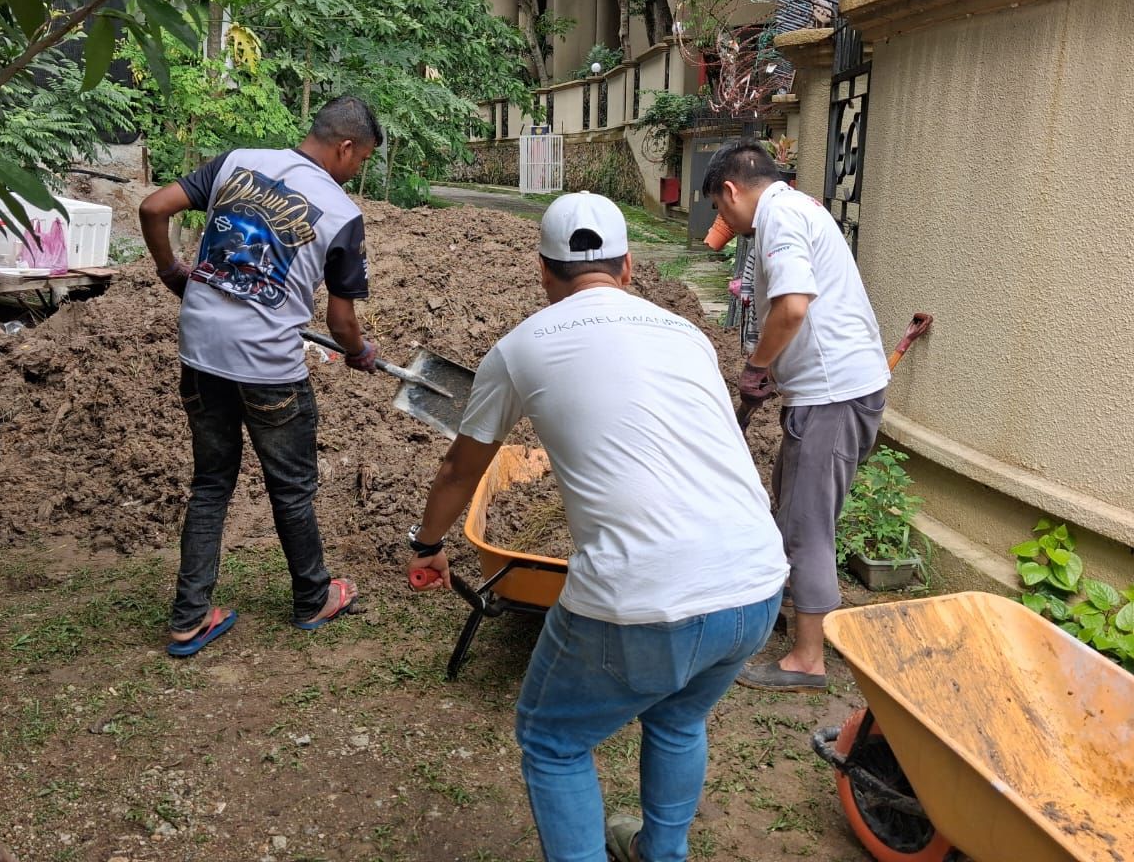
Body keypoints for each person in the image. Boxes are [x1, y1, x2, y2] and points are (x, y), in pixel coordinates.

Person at [405, 192, 788, 862]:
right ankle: (661, 852)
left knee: (553, 741)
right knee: (678, 717)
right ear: (628, 266)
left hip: (640, 599)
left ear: (543, 272)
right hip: (755, 584)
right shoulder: (688, 335)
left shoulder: (521, 348)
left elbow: (459, 471)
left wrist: (429, 545)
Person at [139, 95, 383, 656]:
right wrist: (358, 352)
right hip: (268, 366)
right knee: (291, 488)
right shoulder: (341, 213)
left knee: (210, 484)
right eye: (361, 160)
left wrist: (170, 270)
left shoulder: (237, 162)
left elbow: (153, 208)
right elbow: (341, 321)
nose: (356, 171)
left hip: (200, 351)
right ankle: (314, 597)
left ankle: (189, 618)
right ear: (345, 147)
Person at [701, 139, 891, 692]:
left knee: (807, 526)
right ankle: (789, 609)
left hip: (833, 396)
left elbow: (792, 306)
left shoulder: (779, 217)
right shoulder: (796, 208)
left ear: (731, 190)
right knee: (790, 506)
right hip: (830, 391)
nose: (723, 220)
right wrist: (774, 373)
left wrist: (757, 367)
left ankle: (808, 659)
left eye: (718, 207)